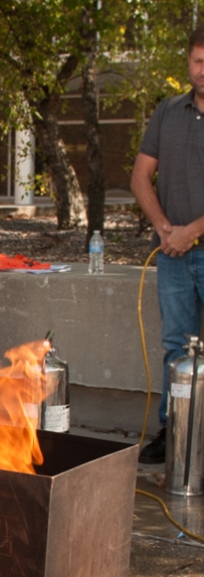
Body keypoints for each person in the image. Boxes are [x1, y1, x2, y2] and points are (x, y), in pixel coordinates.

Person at [131, 26, 204, 464]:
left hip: (190, 240)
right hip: (173, 253)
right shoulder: (167, 112)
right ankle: (174, 431)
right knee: (176, 346)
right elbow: (140, 178)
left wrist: (192, 230)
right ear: (188, 64)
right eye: (198, 62)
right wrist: (164, 229)